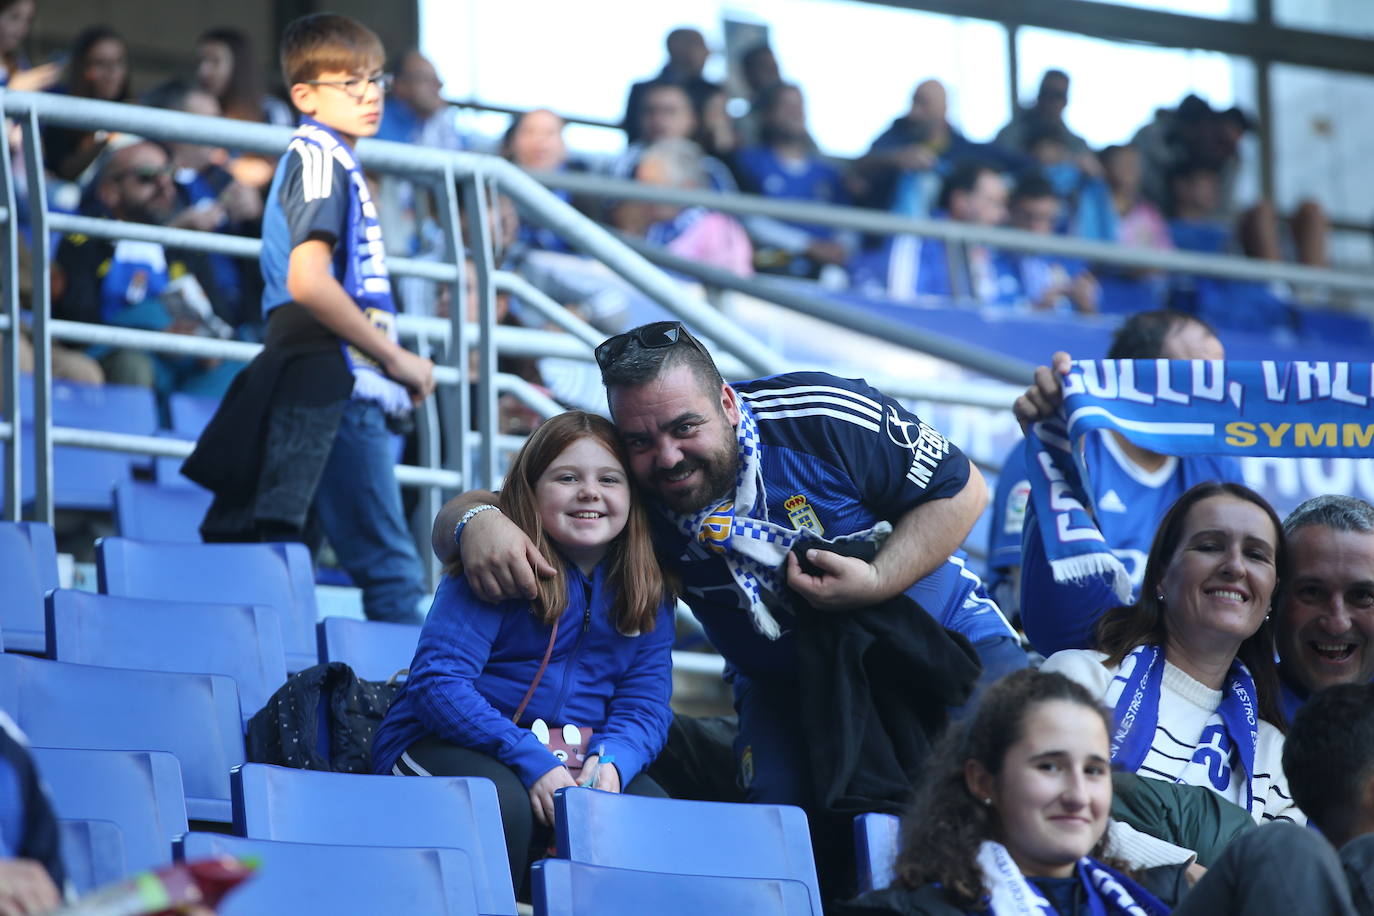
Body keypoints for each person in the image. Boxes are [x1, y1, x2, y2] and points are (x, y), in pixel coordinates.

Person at [433, 321, 1022, 820]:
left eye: (685, 427)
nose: (667, 456)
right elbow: (510, 507)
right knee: (780, 825)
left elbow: (963, 490)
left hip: (944, 637)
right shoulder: (633, 486)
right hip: (783, 683)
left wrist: (876, 580)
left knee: (1008, 783)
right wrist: (475, 519)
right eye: (641, 439)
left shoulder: (821, 417)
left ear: (728, 403)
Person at [183, 13, 435, 625]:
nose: (369, 94)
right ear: (305, 95)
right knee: (391, 568)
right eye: (350, 84)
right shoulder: (319, 156)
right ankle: (410, 720)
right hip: (333, 376)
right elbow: (308, 280)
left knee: (294, 553)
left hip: (326, 375)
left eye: (375, 80)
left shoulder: (331, 159)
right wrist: (394, 356)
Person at [372, 410, 675, 891]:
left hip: (576, 752)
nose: (589, 492)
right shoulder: (493, 564)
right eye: (567, 477)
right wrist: (529, 759)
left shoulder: (647, 587)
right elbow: (437, 685)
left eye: (609, 479)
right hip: (445, 740)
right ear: (530, 490)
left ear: (633, 497)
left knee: (650, 817)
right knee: (500, 805)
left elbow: (646, 705)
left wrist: (613, 761)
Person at [1041, 482, 1302, 825]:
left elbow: (1271, 877)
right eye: (1210, 546)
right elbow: (1043, 811)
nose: (1235, 567)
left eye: (1255, 555)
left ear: (1272, 596)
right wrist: (1184, 869)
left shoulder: (1273, 757)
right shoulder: (1078, 680)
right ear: (1162, 575)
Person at [836, 668, 1186, 915]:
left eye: (1094, 771)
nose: (1078, 795)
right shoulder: (906, 913)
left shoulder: (1155, 901)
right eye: (1049, 766)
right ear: (983, 781)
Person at [993, 310, 1241, 646]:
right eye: (1198, 376)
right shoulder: (1059, 448)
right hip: (1067, 656)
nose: (1216, 393)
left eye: (1220, 378)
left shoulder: (1217, 467)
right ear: (1135, 379)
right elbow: (1036, 608)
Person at [51, 137, 243, 396]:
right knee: (133, 365)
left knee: (243, 367)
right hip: (116, 355)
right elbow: (77, 325)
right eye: (146, 177)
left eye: (169, 175)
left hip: (184, 364)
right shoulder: (84, 237)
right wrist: (155, 334)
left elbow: (222, 317)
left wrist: (206, 343)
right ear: (110, 191)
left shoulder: (183, 244)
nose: (164, 187)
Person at [851, 160, 1017, 305]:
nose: (1002, 215)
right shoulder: (915, 240)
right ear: (961, 201)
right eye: (994, 203)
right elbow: (906, 311)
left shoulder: (990, 252)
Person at [732, 82, 854, 279]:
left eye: (799, 106)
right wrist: (806, 246)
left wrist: (841, 248)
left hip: (828, 263)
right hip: (773, 258)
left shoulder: (828, 172)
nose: (795, 113)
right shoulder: (748, 162)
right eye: (786, 106)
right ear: (767, 114)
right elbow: (748, 220)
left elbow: (848, 220)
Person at [853, 79, 1026, 214]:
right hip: (890, 238)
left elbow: (1024, 166)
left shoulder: (964, 148)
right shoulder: (896, 135)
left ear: (943, 108)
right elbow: (861, 166)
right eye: (913, 103)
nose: (914, 111)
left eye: (923, 104)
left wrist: (1001, 187)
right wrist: (897, 158)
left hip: (947, 242)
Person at [1274, 496, 1374, 716]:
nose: (1337, 624)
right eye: (1312, 592)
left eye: (1361, 595)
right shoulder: (1224, 724)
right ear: (1274, 599)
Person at [619, 138, 752, 276]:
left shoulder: (717, 229)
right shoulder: (647, 224)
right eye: (641, 187)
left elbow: (731, 287)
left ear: (687, 187)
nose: (643, 197)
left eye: (653, 187)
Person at [997, 171, 1099, 314]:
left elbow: (1092, 324)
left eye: (1045, 218)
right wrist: (1038, 309)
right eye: (1028, 217)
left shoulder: (1069, 260)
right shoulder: (992, 257)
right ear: (1011, 212)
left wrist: (1085, 306)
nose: (1035, 227)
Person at [43, 25, 129, 182]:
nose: (111, 72)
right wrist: (106, 139)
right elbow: (64, 172)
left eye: (118, 62)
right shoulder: (60, 114)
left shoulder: (136, 112)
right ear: (81, 67)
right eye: (100, 63)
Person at [621, 28, 720, 144]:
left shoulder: (711, 92)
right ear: (677, 48)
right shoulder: (641, 90)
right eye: (700, 46)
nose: (707, 53)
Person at [194, 26, 294, 127]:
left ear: (238, 65)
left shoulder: (272, 110)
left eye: (215, 61)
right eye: (199, 61)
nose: (203, 71)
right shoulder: (191, 108)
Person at [995, 70, 1094, 161]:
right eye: (1046, 93)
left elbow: (1090, 167)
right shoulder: (1013, 132)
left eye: (1057, 96)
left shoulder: (1076, 143)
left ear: (1065, 101)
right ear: (1039, 96)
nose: (1050, 101)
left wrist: (1064, 157)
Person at [0, 0, 59, 91]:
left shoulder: (21, 63)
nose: (22, 27)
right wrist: (12, 92)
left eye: (28, 20)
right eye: (14, 17)